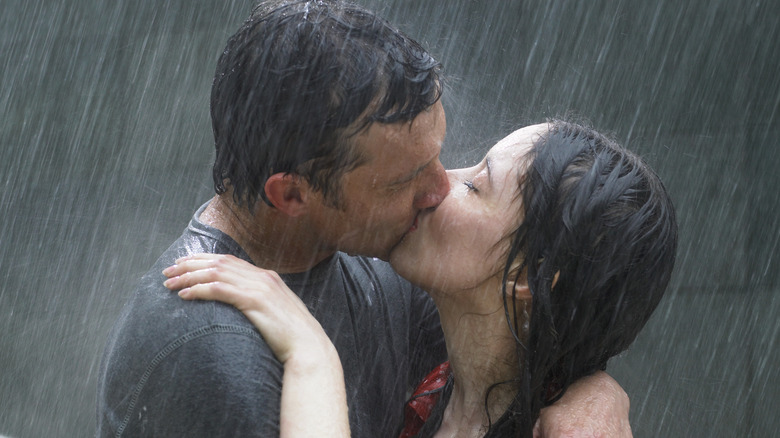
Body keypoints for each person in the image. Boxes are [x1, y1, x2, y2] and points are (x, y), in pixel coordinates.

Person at [97, 0, 631, 435]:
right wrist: (315, 361)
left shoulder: (372, 261)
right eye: (405, 180)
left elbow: (521, 326)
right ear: (291, 195)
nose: (440, 190)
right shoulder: (213, 359)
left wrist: (596, 393)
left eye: (437, 158)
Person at [164, 121, 677, 437]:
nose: (437, 185)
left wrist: (312, 358)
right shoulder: (440, 376)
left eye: (476, 185)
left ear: (530, 278)